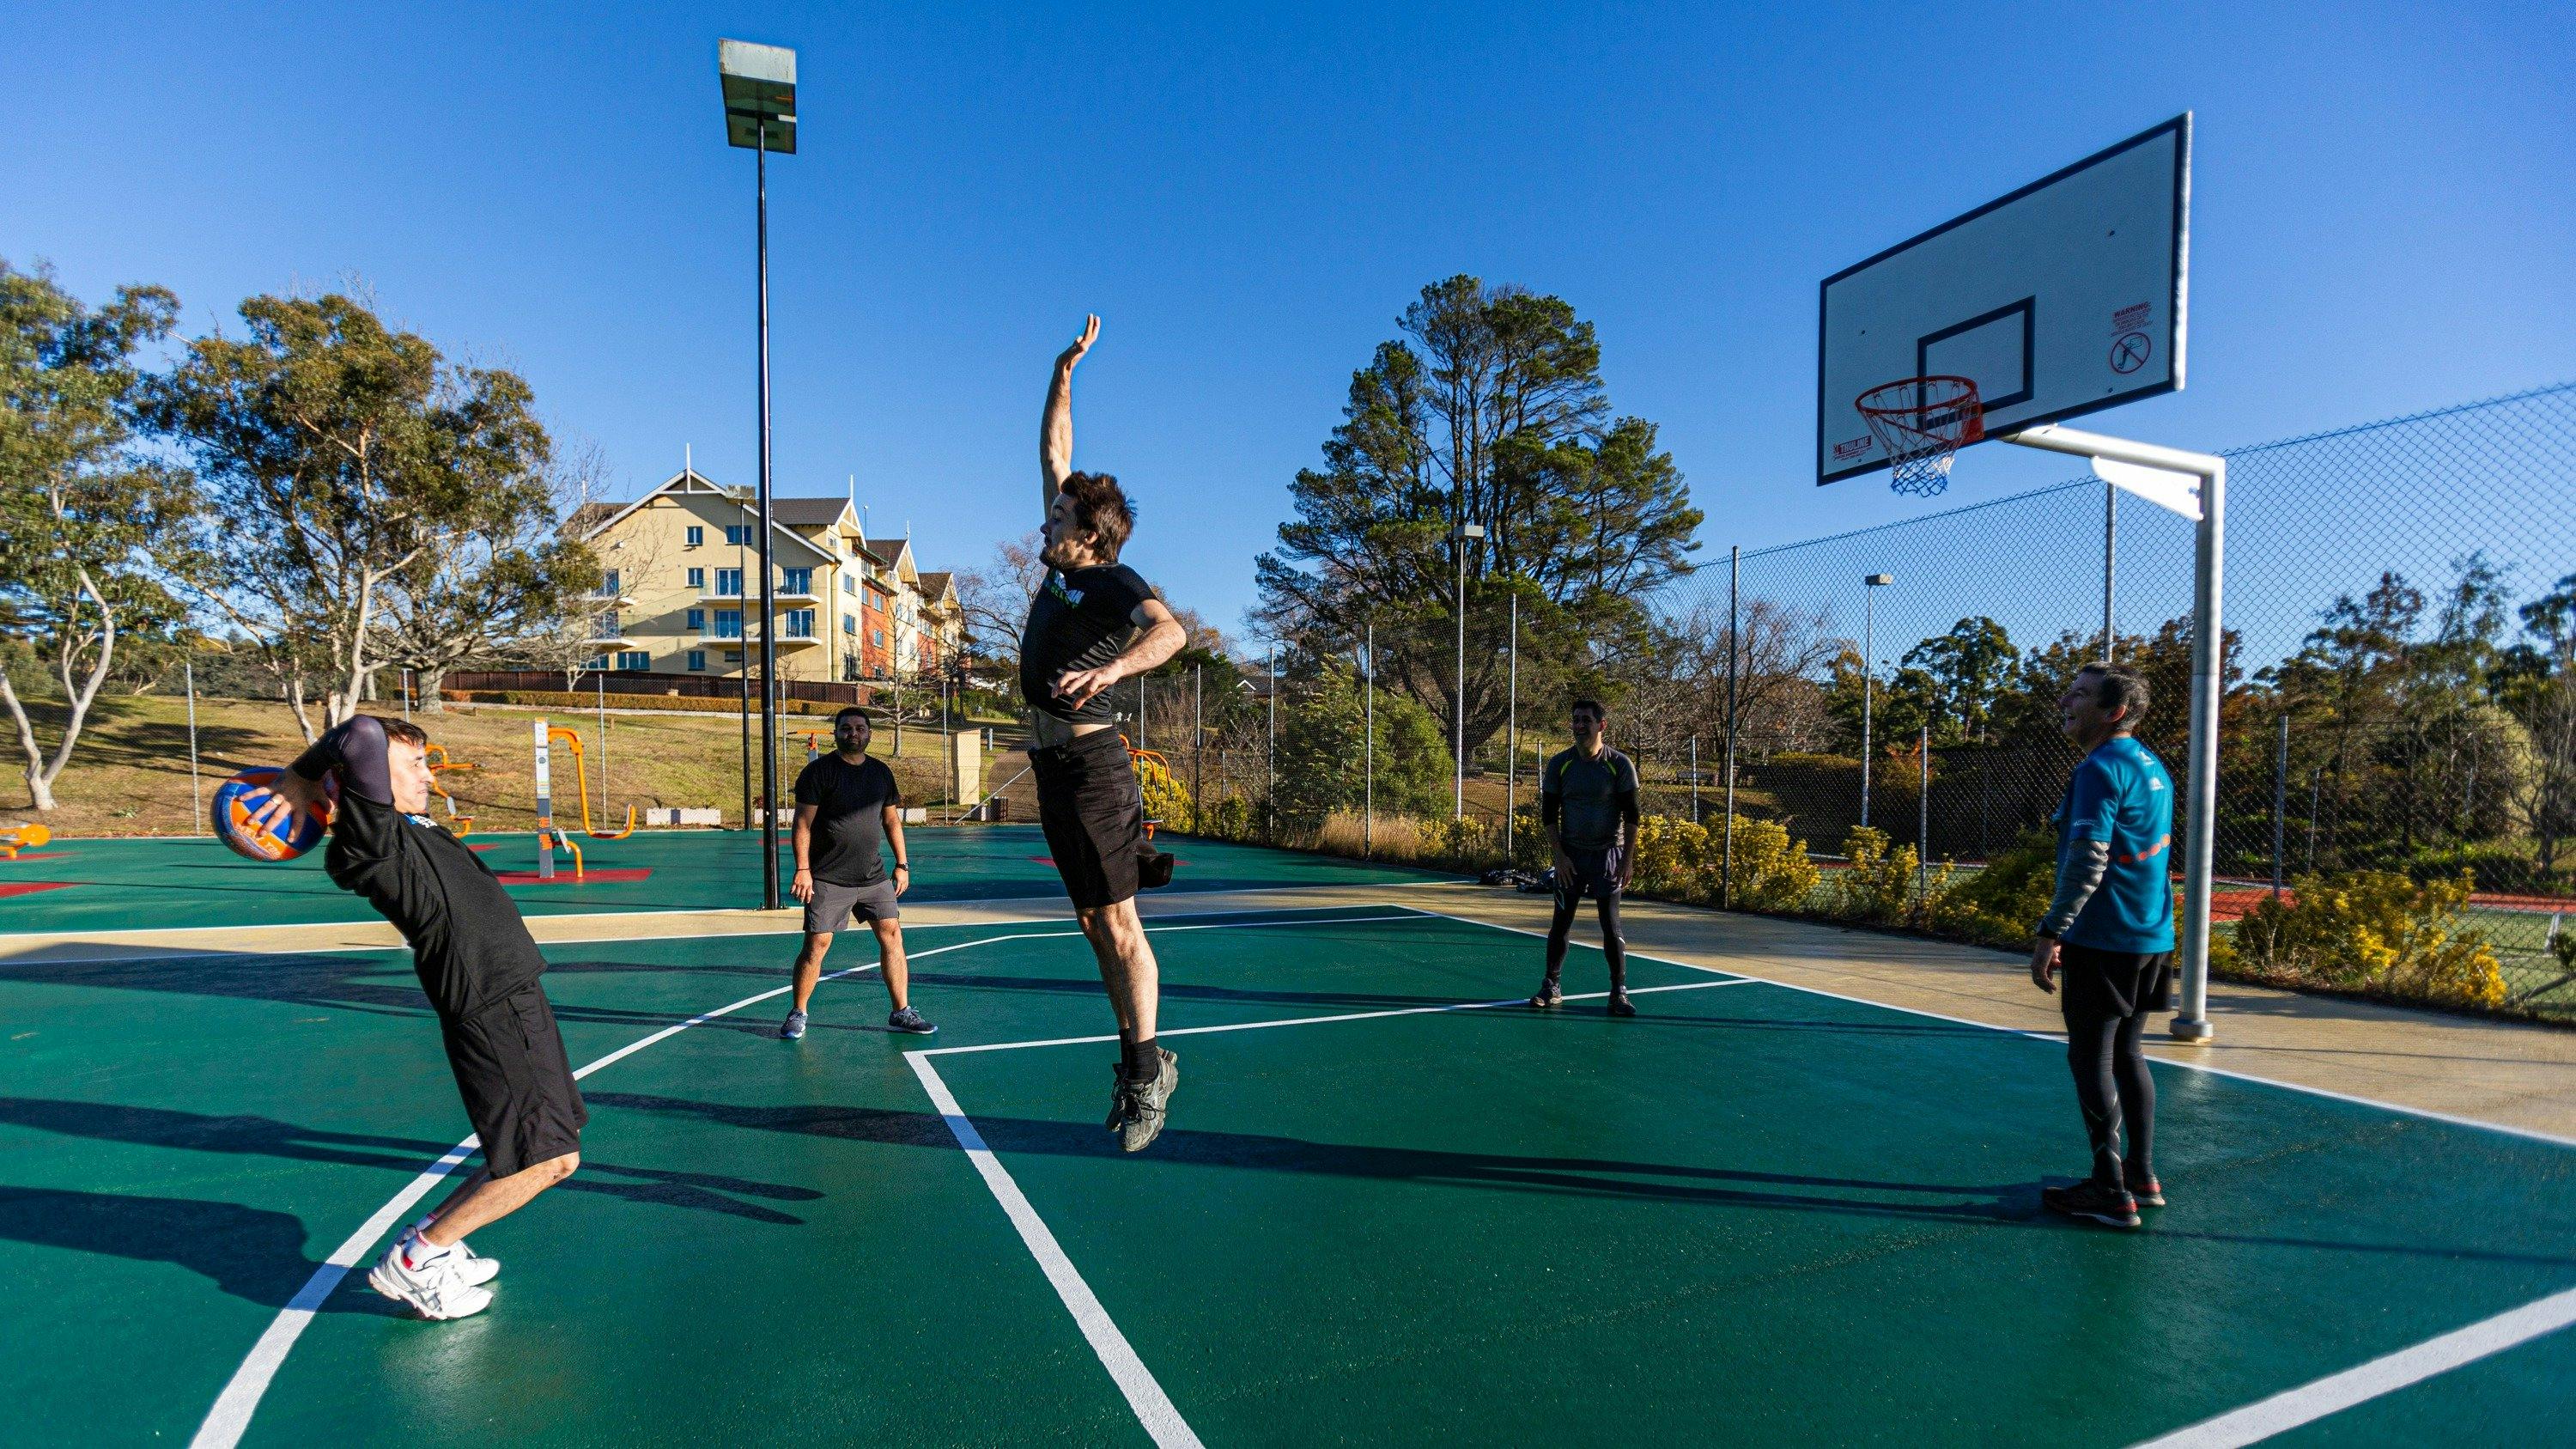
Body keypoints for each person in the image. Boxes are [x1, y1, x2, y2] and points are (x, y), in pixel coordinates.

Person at [257, 715, 581, 1320]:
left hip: (511, 991)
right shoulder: (372, 838)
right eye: (414, 763)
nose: (428, 774)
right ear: (361, 783)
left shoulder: (410, 827)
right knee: (544, 1159)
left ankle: (440, 1242)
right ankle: (415, 1261)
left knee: (541, 1152)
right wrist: (301, 778)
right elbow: (359, 736)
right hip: (489, 1002)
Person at [1025, 314, 1190, 1152]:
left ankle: (1148, 1067)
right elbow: (1058, 451)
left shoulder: (1112, 580)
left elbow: (1172, 633)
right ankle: (1135, 1060)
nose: (1045, 519)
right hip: (1052, 768)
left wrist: (1115, 670)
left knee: (1123, 927)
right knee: (1094, 924)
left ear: (1087, 536)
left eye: (1059, 515)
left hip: (1092, 765)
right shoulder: (1061, 573)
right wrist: (1064, 371)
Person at [2029, 662, 2174, 1231]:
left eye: (2081, 694)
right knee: (2128, 1054)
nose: (2066, 699)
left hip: (2104, 937)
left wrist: (2051, 931)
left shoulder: (2099, 768)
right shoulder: (2150, 764)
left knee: (2090, 1056)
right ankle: (2141, 1174)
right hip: (2149, 935)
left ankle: (2110, 1190)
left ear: (2113, 711)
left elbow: (2088, 860)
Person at [780, 707, 935, 1038]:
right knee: (817, 944)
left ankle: (901, 1012)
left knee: (892, 936)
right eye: (847, 728)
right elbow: (802, 823)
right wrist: (803, 869)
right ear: (836, 733)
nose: (854, 733)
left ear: (869, 733)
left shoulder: (880, 772)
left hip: (873, 877)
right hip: (827, 877)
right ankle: (798, 1013)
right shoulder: (818, 773)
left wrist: (902, 864)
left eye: (860, 728)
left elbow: (891, 820)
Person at [1531, 699, 1641, 1015]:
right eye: (1576, 720)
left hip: (1608, 857)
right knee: (1560, 924)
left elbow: (1633, 815)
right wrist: (1560, 857)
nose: (1579, 725)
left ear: (1601, 725)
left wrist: (1627, 858)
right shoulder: (1560, 764)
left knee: (1611, 926)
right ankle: (1551, 986)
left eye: (1586, 720)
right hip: (1571, 859)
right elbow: (1549, 816)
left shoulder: (1619, 765)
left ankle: (1618, 993)